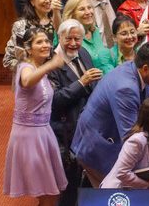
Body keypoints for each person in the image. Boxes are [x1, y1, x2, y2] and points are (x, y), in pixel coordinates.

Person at [71, 43, 149, 187]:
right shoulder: (125, 88)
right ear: (146, 69)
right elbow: (131, 134)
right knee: (114, 196)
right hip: (98, 146)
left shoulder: (143, 74)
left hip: (111, 140)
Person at [3, 28, 67, 206]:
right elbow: (27, 81)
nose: (45, 45)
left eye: (47, 41)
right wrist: (51, 65)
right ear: (28, 48)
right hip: (28, 136)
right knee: (48, 194)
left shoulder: (40, 68)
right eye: (39, 42)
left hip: (44, 133)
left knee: (51, 194)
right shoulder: (25, 67)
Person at [49, 19, 101, 206]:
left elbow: (93, 83)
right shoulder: (51, 63)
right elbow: (55, 101)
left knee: (85, 179)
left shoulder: (84, 52)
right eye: (68, 38)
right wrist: (82, 82)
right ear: (59, 37)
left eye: (77, 39)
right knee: (68, 184)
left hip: (88, 127)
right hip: (65, 131)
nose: (73, 43)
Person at [4, 0, 61, 71]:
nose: (48, 0)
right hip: (33, 78)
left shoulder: (60, 22)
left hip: (59, 79)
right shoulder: (22, 26)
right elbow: (8, 60)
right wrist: (31, 70)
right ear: (32, 1)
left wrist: (57, 13)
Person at [63, 0, 116, 74]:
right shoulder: (68, 38)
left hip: (111, 77)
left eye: (89, 8)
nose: (88, 12)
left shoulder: (96, 31)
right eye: (82, 9)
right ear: (72, 14)